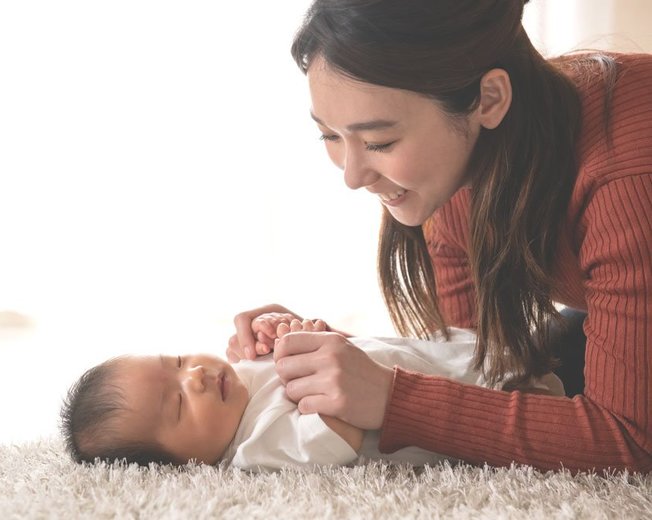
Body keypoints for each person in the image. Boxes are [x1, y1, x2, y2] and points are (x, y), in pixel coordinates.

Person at [227, 0, 652, 473]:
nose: (352, 175)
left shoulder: (628, 176)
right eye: (329, 136)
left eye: (379, 142)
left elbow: (631, 440)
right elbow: (477, 370)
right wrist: (335, 359)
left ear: (488, 100)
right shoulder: (456, 176)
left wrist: (391, 398)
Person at [60, 314, 563, 471]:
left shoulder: (240, 376)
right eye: (178, 404)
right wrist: (309, 367)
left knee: (558, 332)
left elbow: (338, 353)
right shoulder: (258, 447)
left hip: (462, 353)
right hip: (485, 405)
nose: (193, 376)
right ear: (185, 466)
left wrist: (292, 330)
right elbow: (336, 426)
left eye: (175, 362)